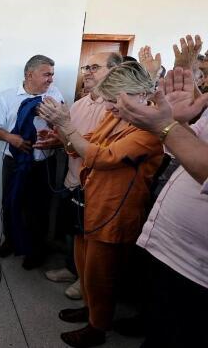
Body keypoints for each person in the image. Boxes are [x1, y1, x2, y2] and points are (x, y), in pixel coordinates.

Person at [39, 61, 164, 347]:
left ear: (137, 95)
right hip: (91, 204)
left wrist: (66, 125)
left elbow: (99, 157)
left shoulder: (148, 131)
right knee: (85, 267)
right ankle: (90, 310)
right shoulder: (115, 117)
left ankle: (98, 327)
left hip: (115, 212)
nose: (108, 108)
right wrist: (62, 132)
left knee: (101, 276)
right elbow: (84, 144)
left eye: (113, 101)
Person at [116, 67, 208, 348]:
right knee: (159, 327)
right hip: (171, 252)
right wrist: (178, 122)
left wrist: (166, 126)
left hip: (198, 270)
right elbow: (184, 150)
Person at [39, 52, 123, 301]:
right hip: (73, 179)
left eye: (94, 67)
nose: (87, 71)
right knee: (73, 231)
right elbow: (70, 139)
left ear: (114, 71)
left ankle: (86, 282)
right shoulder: (80, 103)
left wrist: (68, 135)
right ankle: (72, 269)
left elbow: (98, 149)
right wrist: (56, 138)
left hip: (96, 185)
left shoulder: (116, 107)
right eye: (86, 67)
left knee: (90, 237)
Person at [0, 54, 64, 269]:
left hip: (43, 164)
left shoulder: (55, 96)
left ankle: (35, 251)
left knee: (38, 209)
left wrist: (55, 133)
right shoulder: (8, 97)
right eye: (46, 74)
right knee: (11, 203)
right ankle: (11, 241)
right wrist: (11, 137)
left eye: (52, 74)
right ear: (30, 74)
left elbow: (64, 126)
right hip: (14, 163)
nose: (51, 79)